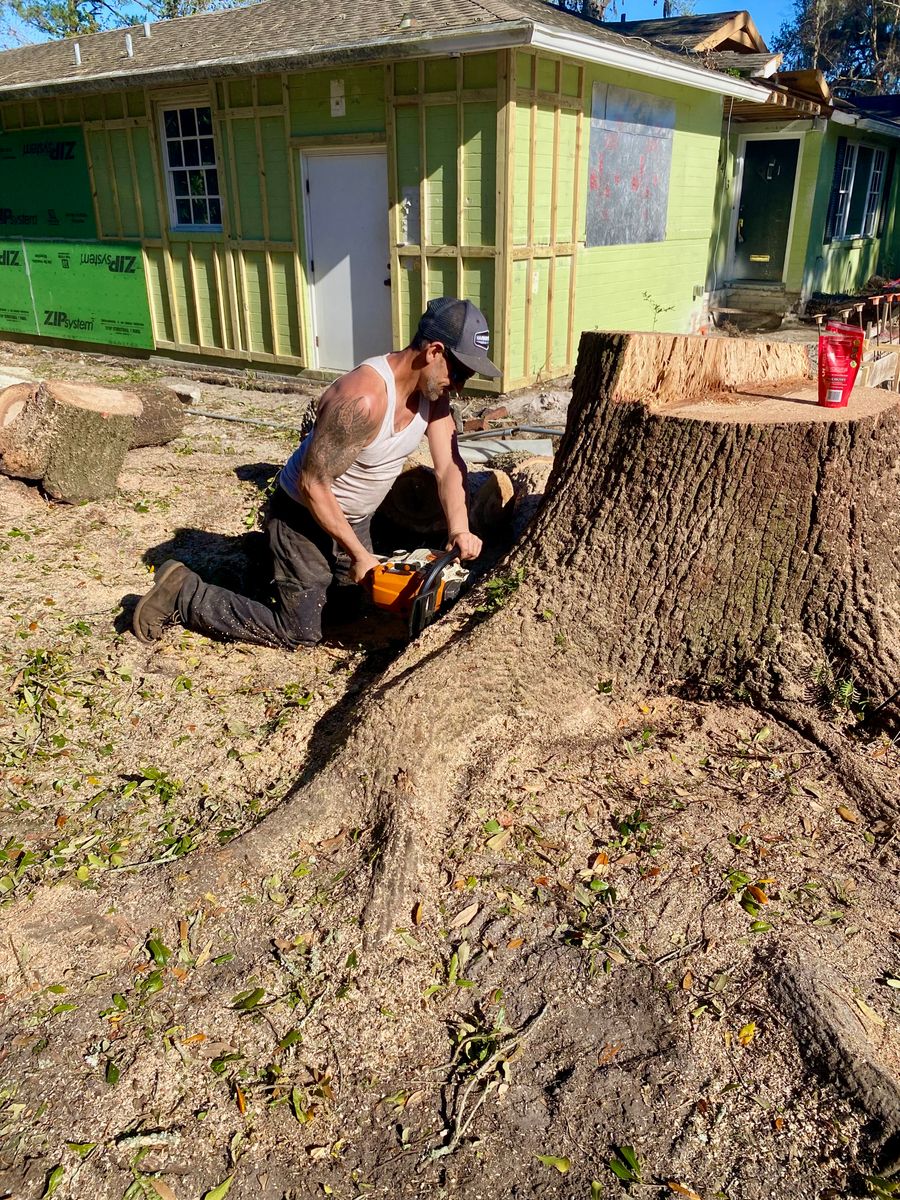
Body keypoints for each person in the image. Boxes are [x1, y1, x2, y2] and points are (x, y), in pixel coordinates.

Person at [132, 297, 501, 650]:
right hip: (302, 516)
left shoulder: (433, 398)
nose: (459, 386)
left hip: (353, 519)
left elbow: (449, 467)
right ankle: (184, 593)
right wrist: (359, 555)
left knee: (350, 610)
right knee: (301, 631)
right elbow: (312, 484)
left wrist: (459, 529)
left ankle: (265, 561)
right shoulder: (363, 400)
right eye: (459, 373)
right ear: (434, 351)